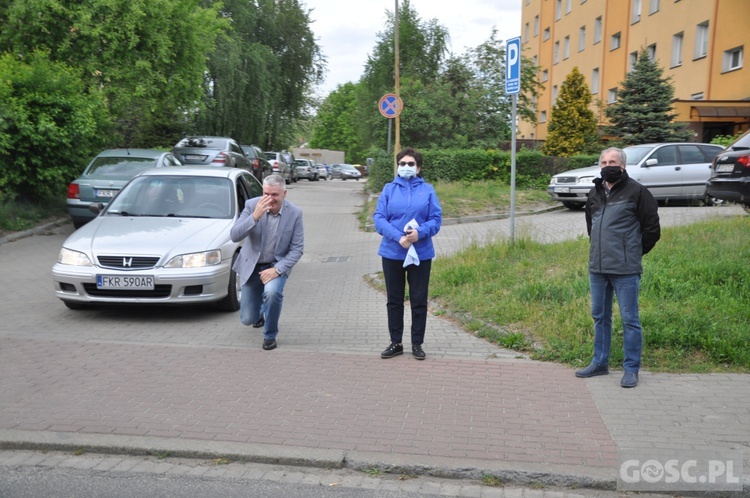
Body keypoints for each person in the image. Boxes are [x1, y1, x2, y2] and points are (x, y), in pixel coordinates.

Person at [575, 147, 660, 388]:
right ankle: (599, 363)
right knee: (600, 316)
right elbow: (592, 227)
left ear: (622, 165)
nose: (607, 165)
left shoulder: (638, 192)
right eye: (603, 161)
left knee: (629, 319)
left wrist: (632, 252)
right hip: (598, 268)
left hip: (625, 268)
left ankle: (631, 369)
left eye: (612, 161)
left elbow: (652, 229)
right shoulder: (595, 192)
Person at [373, 147, 442, 360]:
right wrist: (398, 237)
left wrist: (419, 233)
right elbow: (379, 218)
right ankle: (396, 342)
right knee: (394, 299)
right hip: (393, 252)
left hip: (420, 253)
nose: (405, 167)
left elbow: (436, 219)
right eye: (402, 163)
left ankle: (417, 343)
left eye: (410, 164)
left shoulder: (428, 190)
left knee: (418, 299)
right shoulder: (388, 189)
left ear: (418, 167)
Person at [230, 174, 304, 351]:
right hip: (252, 266)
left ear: (284, 193)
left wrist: (277, 270)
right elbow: (234, 235)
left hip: (275, 265)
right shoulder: (251, 206)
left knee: (272, 294)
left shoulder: (295, 213)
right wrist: (254, 217)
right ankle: (260, 313)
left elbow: (297, 249)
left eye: (275, 195)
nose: (269, 199)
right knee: (248, 318)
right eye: (266, 194)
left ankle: (270, 336)